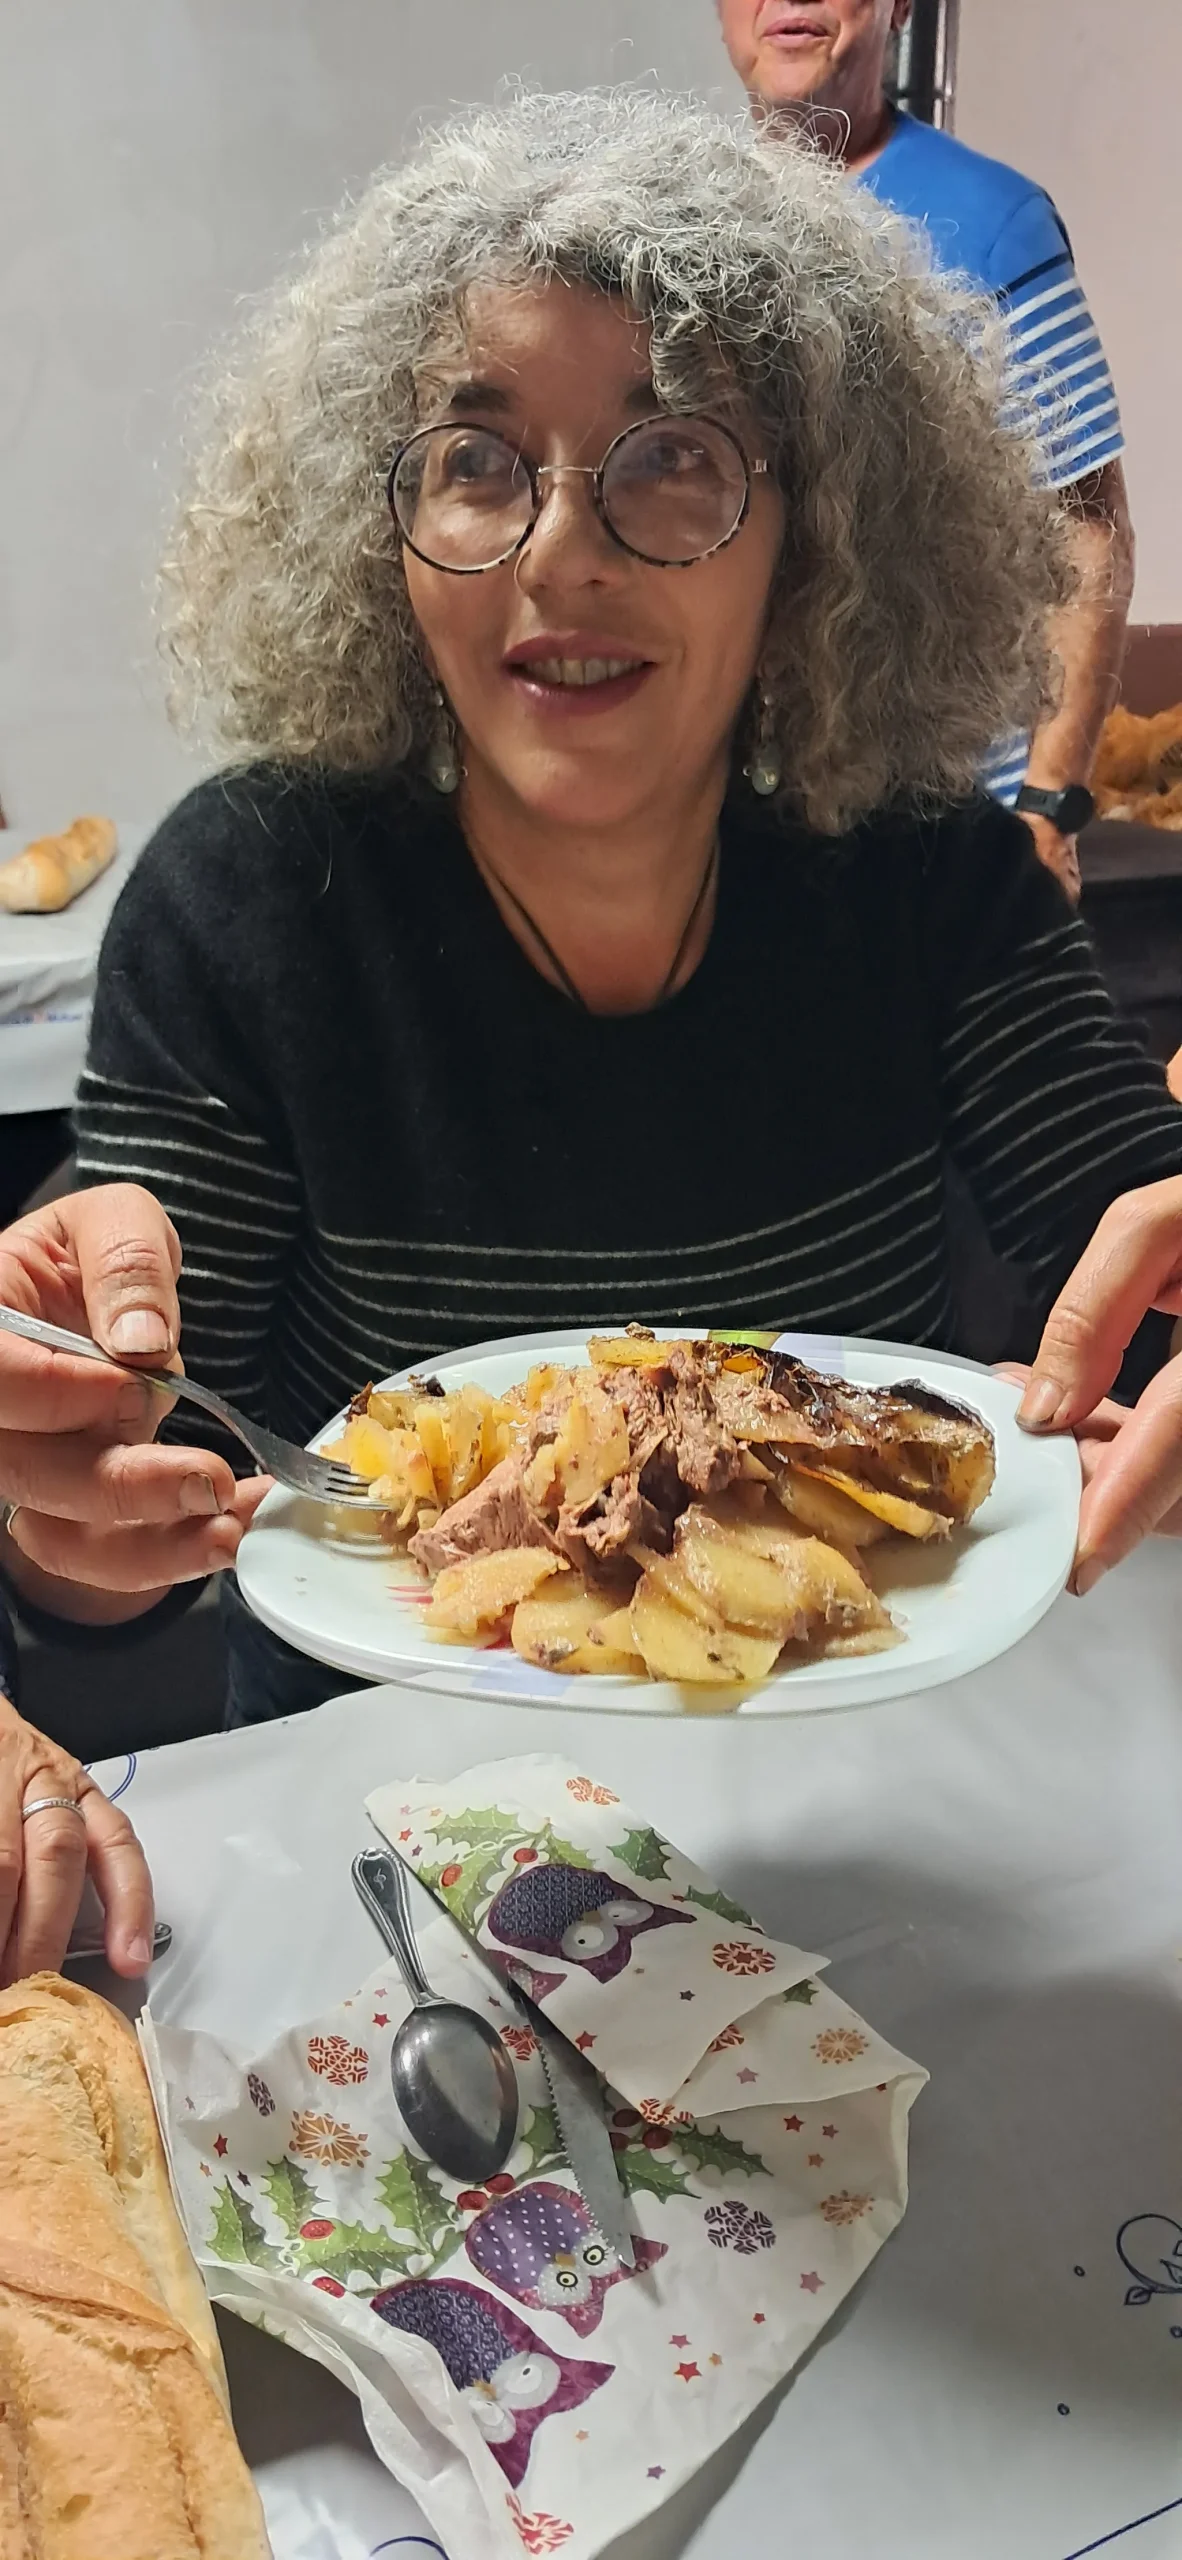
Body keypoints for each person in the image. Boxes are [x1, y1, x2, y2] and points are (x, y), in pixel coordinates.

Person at [2, 89, 1180, 1730]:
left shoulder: (929, 877)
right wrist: (65, 1504)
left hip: (864, 1776)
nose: (560, 554)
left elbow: (1138, 1264)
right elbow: (153, 1504)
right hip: (384, 1797)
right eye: (476, 463)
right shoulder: (250, 901)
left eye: (673, 455)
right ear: (382, 537)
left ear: (812, 533)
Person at [716, 2, 1134, 901]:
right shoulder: (679, 220)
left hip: (937, 846)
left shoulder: (995, 226)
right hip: (723, 840)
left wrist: (1046, 808)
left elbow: (1087, 534)